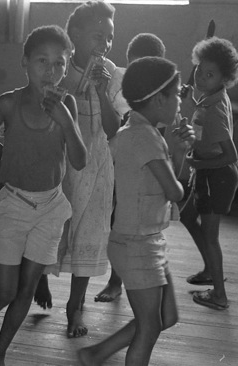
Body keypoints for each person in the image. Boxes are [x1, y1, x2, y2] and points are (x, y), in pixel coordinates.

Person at [0, 25, 87, 366]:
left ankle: (0, 353)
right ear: (25, 63)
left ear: (66, 67)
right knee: (4, 291)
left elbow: (79, 161)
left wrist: (66, 121)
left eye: (59, 63)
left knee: (27, 288)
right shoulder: (9, 103)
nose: (50, 71)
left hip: (51, 209)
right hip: (15, 205)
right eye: (41, 61)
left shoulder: (67, 105)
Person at [78, 57, 195, 366]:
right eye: (177, 94)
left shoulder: (140, 132)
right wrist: (177, 156)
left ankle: (96, 353)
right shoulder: (144, 138)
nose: (180, 102)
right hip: (136, 243)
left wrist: (179, 151)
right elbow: (174, 191)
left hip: (144, 239)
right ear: (159, 99)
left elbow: (161, 186)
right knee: (150, 325)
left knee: (165, 317)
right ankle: (97, 354)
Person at [35, 0, 120, 338]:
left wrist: (101, 89)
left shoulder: (109, 72)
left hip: (97, 163)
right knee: (53, 226)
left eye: (110, 38)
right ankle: (40, 276)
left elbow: (113, 129)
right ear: (75, 35)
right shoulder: (59, 69)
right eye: (98, 36)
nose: (105, 45)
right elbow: (45, 115)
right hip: (62, 161)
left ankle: (74, 306)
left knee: (88, 231)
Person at [95, 32, 167, 303]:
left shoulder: (161, 100)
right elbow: (116, 130)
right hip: (122, 170)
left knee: (141, 232)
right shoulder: (124, 92)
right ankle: (116, 281)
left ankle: (137, 284)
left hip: (147, 177)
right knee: (118, 224)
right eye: (134, 67)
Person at [180, 37, 238, 310]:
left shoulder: (214, 109)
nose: (201, 77)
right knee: (186, 216)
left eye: (210, 74)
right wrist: (189, 98)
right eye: (200, 70)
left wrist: (199, 166)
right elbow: (200, 112)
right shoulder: (210, 97)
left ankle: (219, 294)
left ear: (224, 79)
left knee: (210, 236)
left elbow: (231, 155)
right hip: (210, 172)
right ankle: (209, 269)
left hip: (217, 174)